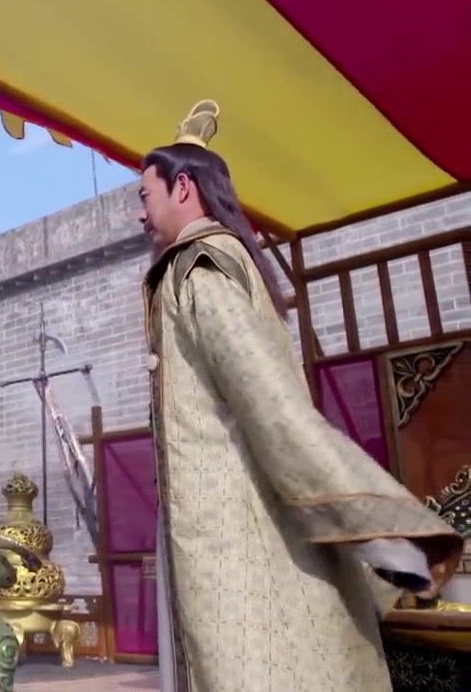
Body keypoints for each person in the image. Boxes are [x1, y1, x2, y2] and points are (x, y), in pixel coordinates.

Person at [138, 101, 462, 692]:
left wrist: (386, 533)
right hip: (231, 526)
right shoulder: (223, 266)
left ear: (182, 187)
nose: (140, 213)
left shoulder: (201, 270)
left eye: (145, 195)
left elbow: (273, 407)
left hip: (234, 532)